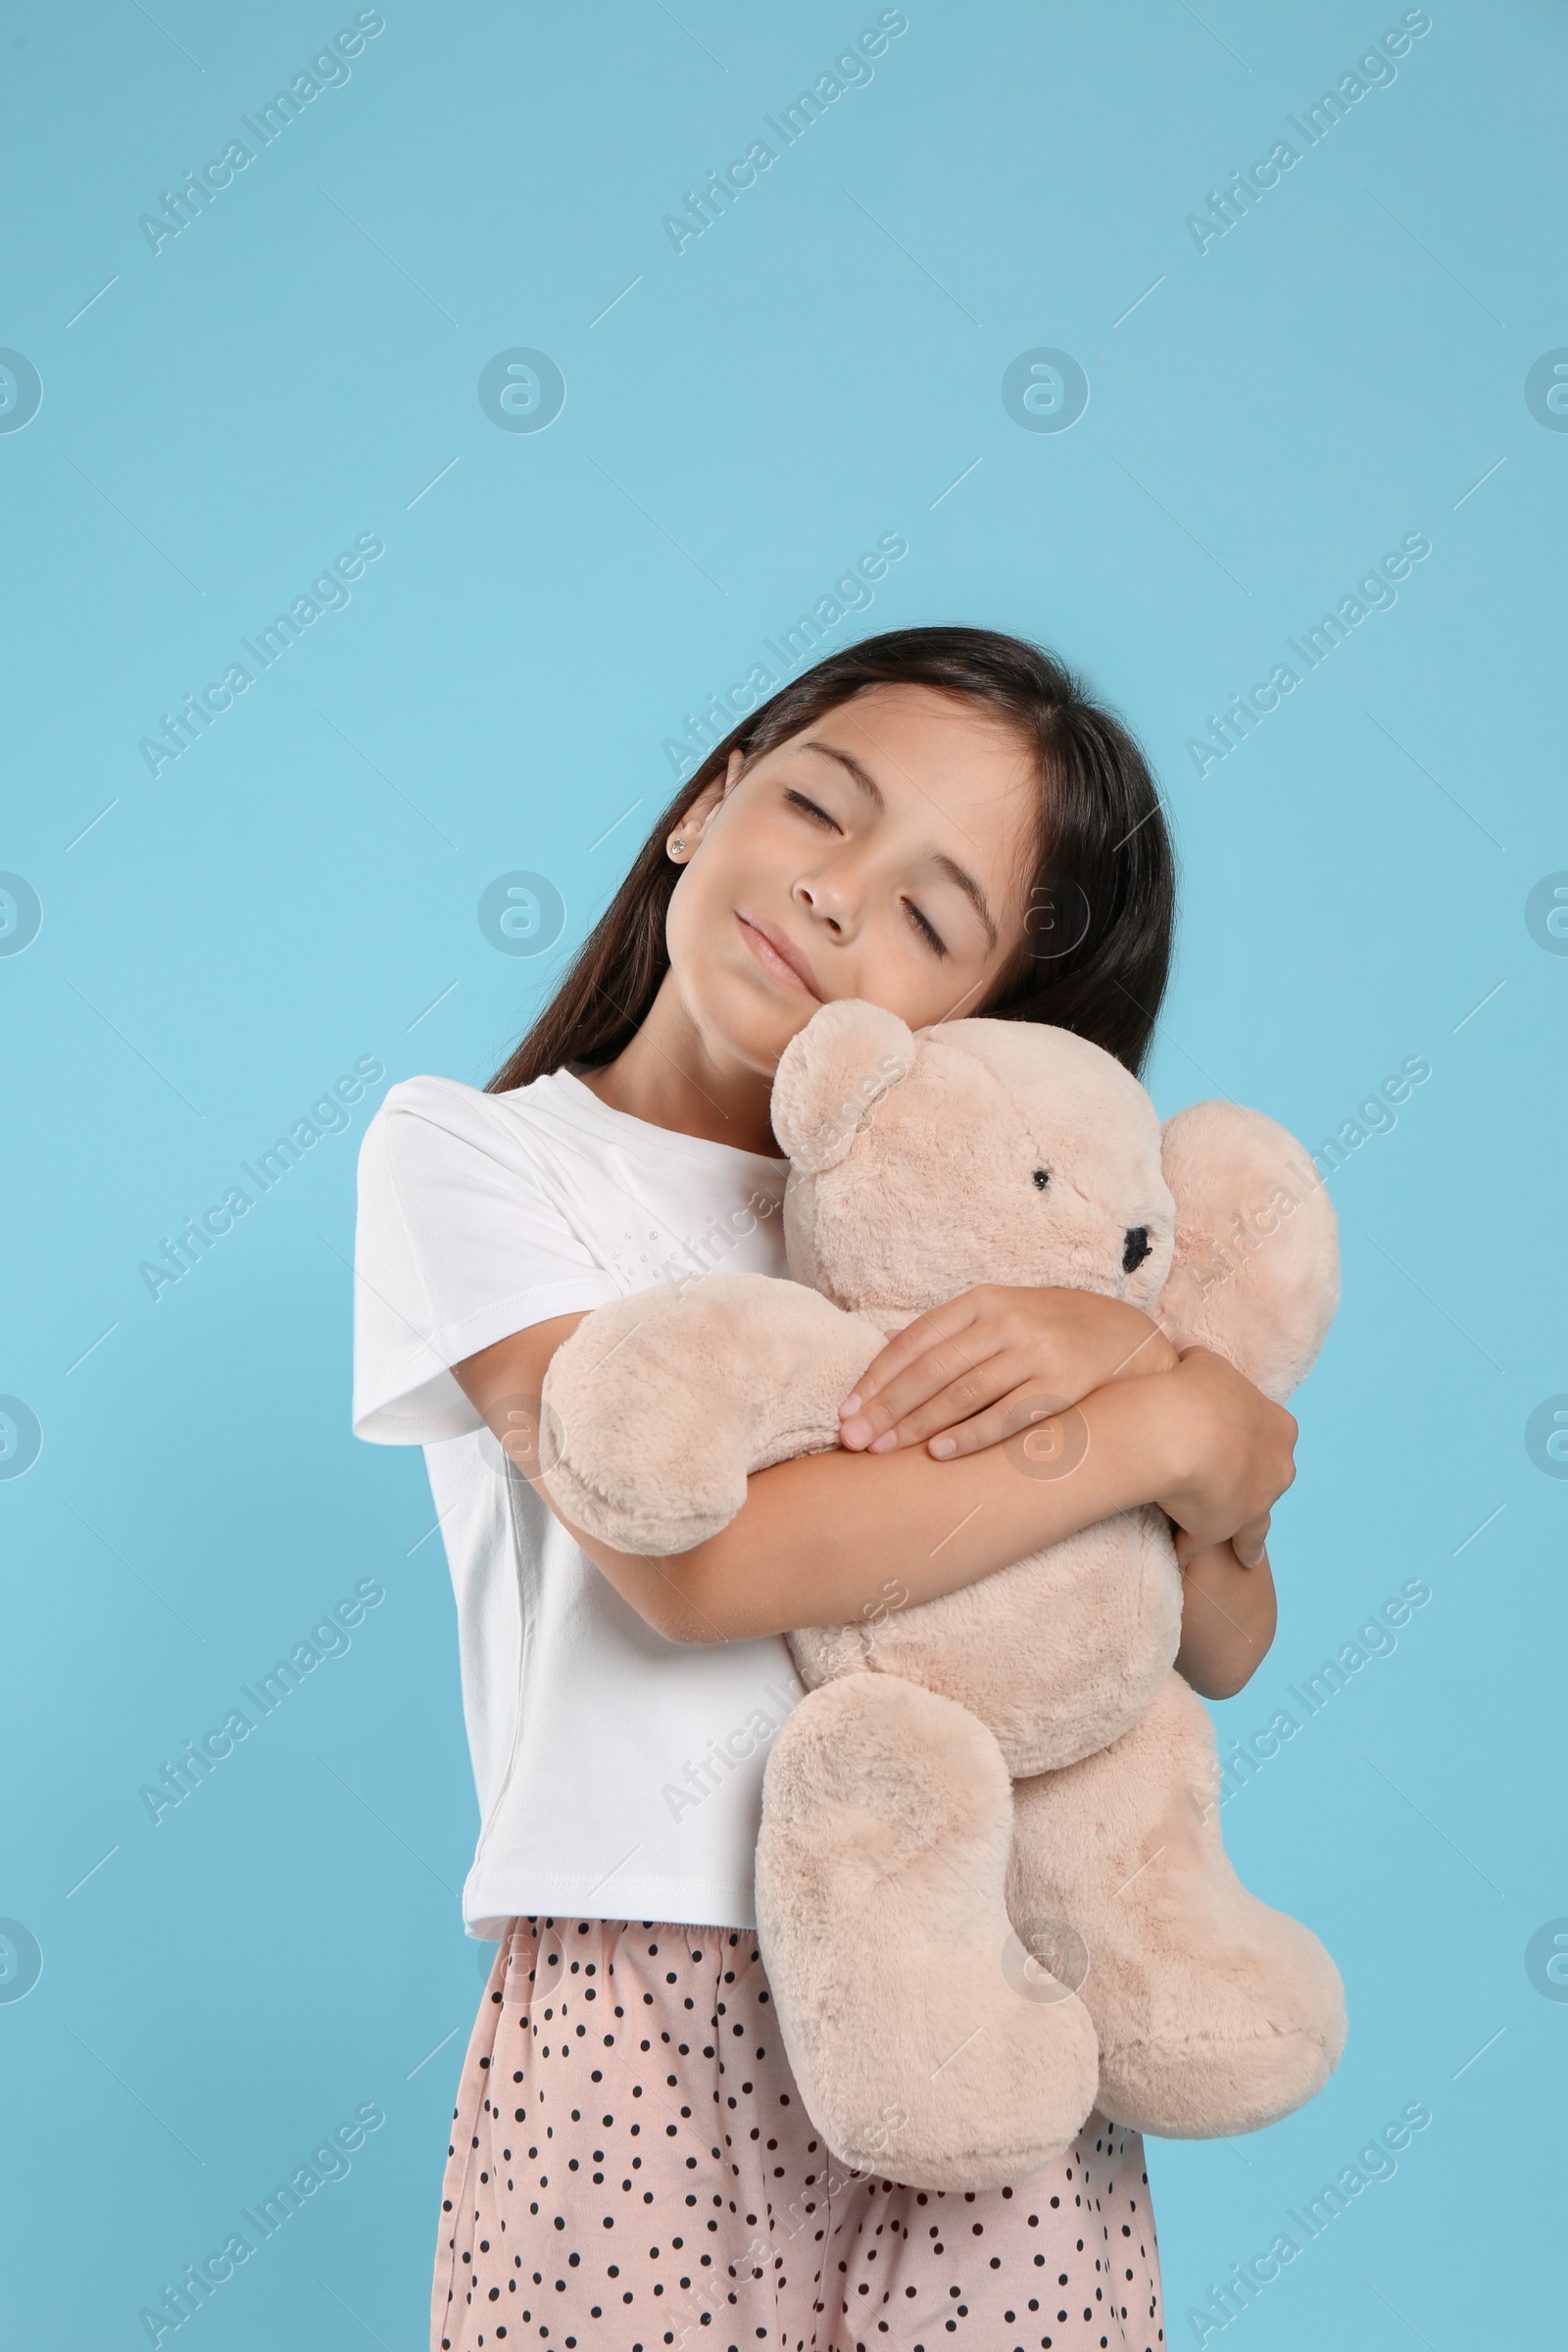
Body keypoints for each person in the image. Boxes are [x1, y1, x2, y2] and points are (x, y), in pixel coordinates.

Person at [352, 626, 1296, 2352]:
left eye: (936, 919)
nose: (841, 899)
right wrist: (1169, 1429)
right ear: (706, 803)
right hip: (641, 1997)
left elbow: (1216, 1638)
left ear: (985, 1020)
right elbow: (695, 1570)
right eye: (815, 807)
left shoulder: (1002, 1256)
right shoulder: (478, 1156)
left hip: (985, 1980)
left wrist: (1198, 1428)